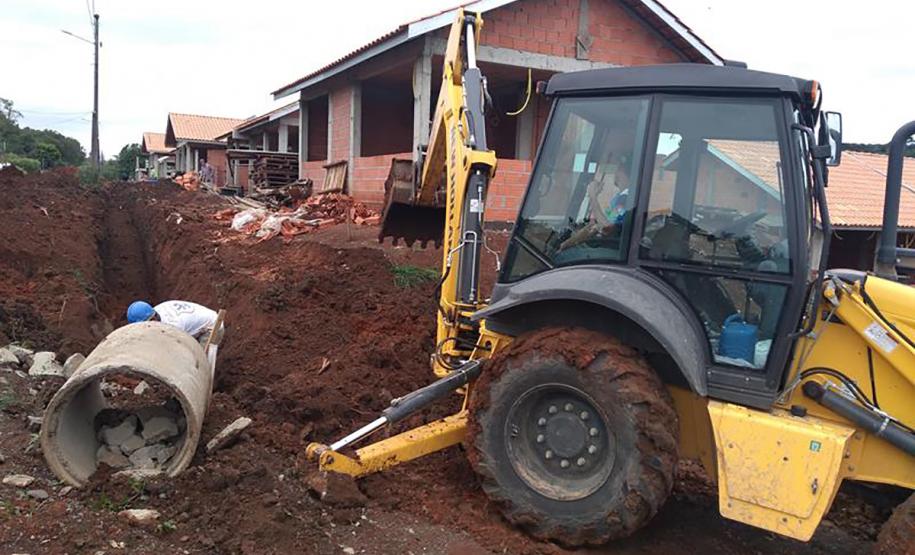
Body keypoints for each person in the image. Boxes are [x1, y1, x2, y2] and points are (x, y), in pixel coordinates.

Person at [126, 300, 222, 346]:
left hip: (212, 326)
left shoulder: (173, 326)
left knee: (199, 362)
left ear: (152, 319)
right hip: (193, 324)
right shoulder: (154, 312)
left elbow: (180, 348)